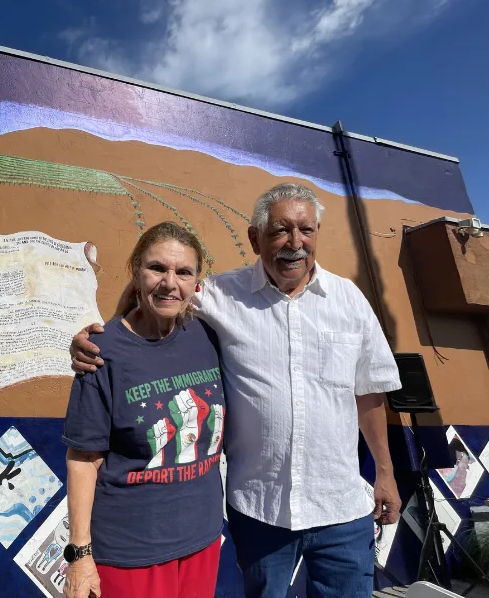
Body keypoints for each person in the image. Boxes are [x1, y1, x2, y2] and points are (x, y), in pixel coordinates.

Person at [71, 183, 402, 598]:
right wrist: (102, 338)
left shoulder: (349, 300)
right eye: (280, 230)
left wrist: (385, 473)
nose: (294, 243)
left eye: (305, 230)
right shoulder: (220, 295)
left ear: (317, 233)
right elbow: (160, 291)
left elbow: (369, 393)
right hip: (261, 512)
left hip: (341, 507)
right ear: (255, 238)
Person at [63, 222, 225, 598]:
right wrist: (80, 556)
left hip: (202, 540)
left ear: (196, 282)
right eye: (156, 268)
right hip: (130, 553)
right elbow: (84, 459)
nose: (170, 283)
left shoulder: (208, 337)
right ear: (136, 272)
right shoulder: (100, 352)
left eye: (183, 272)